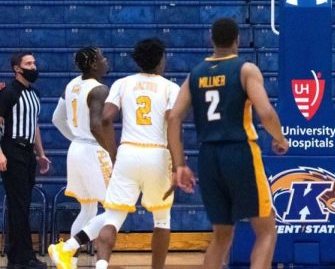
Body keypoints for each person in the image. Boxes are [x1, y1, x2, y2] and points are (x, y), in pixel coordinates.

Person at [168, 18, 290, 269]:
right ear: (238, 40)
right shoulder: (245, 70)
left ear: (211, 40)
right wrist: (279, 138)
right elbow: (265, 112)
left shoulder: (196, 73)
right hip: (240, 152)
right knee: (266, 230)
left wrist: (179, 164)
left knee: (222, 235)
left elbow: (173, 116)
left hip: (208, 157)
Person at [48, 39, 180, 269]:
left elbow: (104, 118)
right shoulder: (170, 87)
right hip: (153, 154)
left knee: (111, 216)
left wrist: (115, 152)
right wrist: (179, 163)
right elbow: (172, 121)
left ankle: (80, 255)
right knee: (161, 220)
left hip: (119, 151)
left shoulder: (120, 83)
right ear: (161, 60)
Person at [52, 48, 112, 257]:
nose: (106, 60)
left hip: (76, 148)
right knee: (115, 209)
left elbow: (56, 119)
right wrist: (112, 152)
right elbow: (96, 126)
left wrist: (76, 138)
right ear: (94, 64)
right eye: (102, 57)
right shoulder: (99, 89)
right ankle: (71, 249)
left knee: (88, 210)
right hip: (94, 151)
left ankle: (69, 260)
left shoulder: (71, 85)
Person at [0, 52, 51, 269]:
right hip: (12, 150)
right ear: (17, 68)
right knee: (18, 206)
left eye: (34, 63)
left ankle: (18, 257)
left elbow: (34, 125)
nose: (33, 66)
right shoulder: (8, 92)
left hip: (28, 152)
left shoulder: (34, 94)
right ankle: (23, 258)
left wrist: (40, 154)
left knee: (22, 205)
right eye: (28, 63)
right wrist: (0, 154)